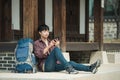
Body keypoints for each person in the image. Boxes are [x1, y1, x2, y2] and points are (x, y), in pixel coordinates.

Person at [33, 24, 101, 74]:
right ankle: (69, 68)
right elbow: (39, 55)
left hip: (55, 65)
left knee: (71, 62)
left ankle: (90, 68)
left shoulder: (50, 41)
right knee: (56, 50)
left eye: (47, 31)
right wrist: (49, 46)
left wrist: (57, 46)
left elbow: (57, 54)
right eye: (44, 31)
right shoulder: (37, 43)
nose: (47, 33)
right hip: (45, 66)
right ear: (40, 32)